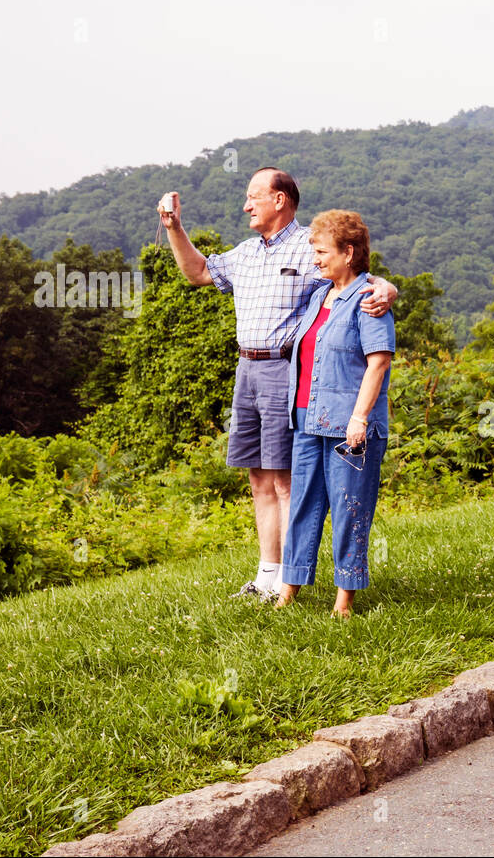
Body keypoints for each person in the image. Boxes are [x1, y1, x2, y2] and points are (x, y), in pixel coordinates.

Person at [157, 169, 397, 600]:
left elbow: (356, 274)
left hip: (285, 372)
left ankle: (292, 579)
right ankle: (268, 576)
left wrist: (387, 287)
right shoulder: (246, 253)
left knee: (287, 481)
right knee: (258, 478)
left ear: (281, 200)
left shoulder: (310, 247)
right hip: (245, 370)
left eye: (254, 197)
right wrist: (175, 228)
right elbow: (197, 273)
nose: (246, 206)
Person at [275, 210, 393, 616]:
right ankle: (288, 591)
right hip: (307, 417)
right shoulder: (316, 295)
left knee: (349, 507)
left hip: (350, 424)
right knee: (303, 505)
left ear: (348, 252)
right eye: (313, 250)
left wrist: (360, 418)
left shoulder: (370, 301)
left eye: (322, 251)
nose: (315, 258)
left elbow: (378, 362)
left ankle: (344, 600)